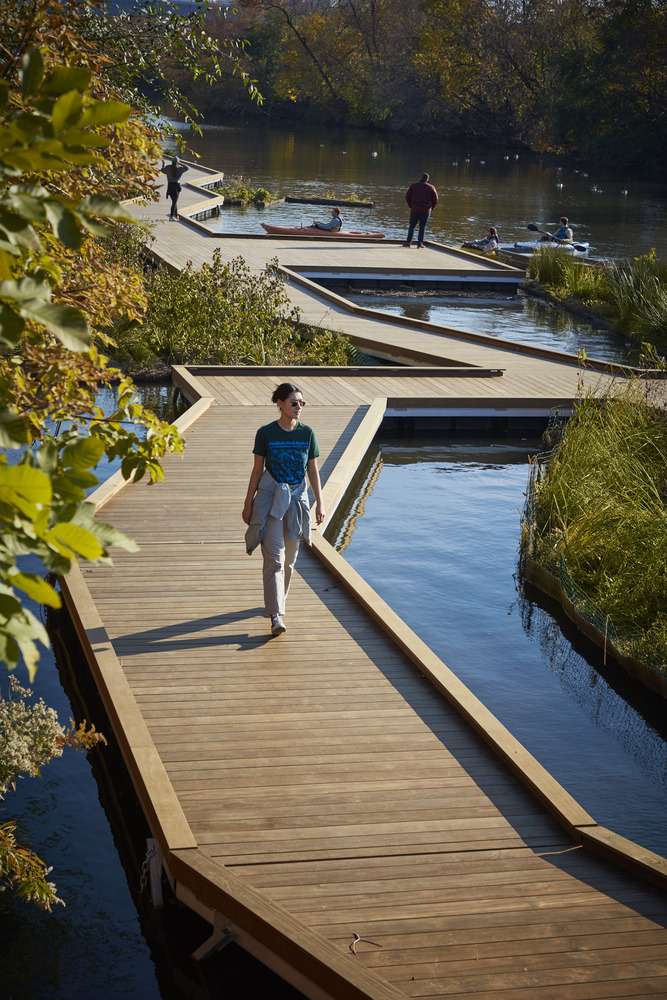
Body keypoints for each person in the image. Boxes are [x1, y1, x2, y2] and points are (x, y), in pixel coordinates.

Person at [242, 383, 325, 637]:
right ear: (279, 403)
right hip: (270, 497)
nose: (299, 407)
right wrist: (248, 503)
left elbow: (312, 470)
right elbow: (257, 470)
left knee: (289, 561)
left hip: (297, 497)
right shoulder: (265, 433)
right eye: (293, 403)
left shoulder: (307, 433)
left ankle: (279, 602)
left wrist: (319, 503)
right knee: (274, 559)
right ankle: (276, 614)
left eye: (301, 403)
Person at [403, 172, 438, 247]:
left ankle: (408, 242)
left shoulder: (413, 186)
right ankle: (420, 244)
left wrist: (410, 205)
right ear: (427, 180)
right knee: (422, 227)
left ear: (420, 178)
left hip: (414, 209)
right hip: (425, 211)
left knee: (412, 226)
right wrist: (432, 207)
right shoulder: (431, 187)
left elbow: (407, 196)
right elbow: (435, 199)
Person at [161, 155, 189, 221]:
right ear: (177, 162)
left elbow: (162, 170)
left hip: (170, 186)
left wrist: (163, 163)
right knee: (174, 202)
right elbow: (187, 168)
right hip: (176, 186)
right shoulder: (179, 169)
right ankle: (171, 217)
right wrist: (180, 163)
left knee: (174, 201)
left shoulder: (168, 168)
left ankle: (176, 216)